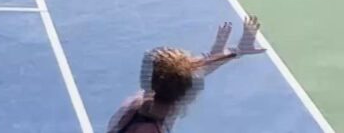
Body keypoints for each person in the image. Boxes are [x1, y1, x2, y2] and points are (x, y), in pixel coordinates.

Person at [107, 16, 267, 132]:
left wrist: (231, 51)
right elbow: (191, 71)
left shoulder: (141, 100)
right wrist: (231, 51)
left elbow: (187, 71)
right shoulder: (151, 126)